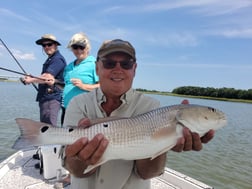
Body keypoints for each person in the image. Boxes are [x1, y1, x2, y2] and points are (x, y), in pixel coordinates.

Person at [61, 39, 215, 189]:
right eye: (109, 63)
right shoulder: (77, 103)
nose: (118, 69)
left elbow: (148, 173)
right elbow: (75, 170)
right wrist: (81, 158)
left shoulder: (151, 107)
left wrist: (164, 142)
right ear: (97, 68)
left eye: (126, 63)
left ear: (134, 69)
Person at [24, 34, 66, 126]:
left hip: (51, 99)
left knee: (49, 129)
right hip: (46, 98)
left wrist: (31, 80)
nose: (46, 47)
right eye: (44, 45)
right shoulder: (51, 59)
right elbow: (44, 76)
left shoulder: (57, 59)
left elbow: (47, 77)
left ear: (55, 45)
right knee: (44, 128)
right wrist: (32, 77)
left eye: (49, 44)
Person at [61, 32, 99, 125]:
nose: (78, 50)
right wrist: (54, 82)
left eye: (81, 47)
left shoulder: (95, 64)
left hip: (83, 111)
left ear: (87, 47)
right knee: (65, 138)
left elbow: (104, 86)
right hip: (65, 108)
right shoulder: (69, 67)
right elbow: (66, 85)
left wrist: (84, 86)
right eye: (75, 47)